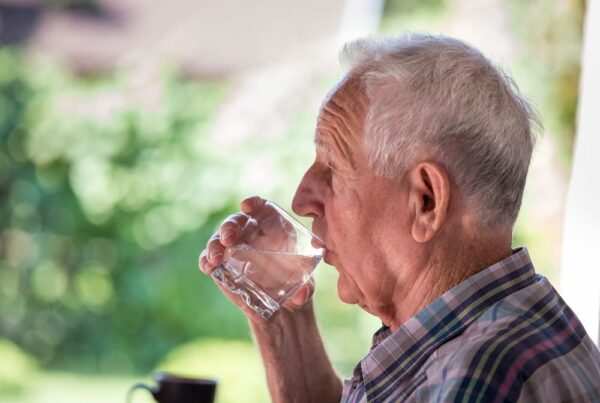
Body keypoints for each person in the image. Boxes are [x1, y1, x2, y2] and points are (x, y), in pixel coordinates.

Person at [199, 34, 600, 402]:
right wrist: (283, 317)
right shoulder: (505, 323)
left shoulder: (477, 381)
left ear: (426, 201)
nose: (301, 199)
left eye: (333, 170)